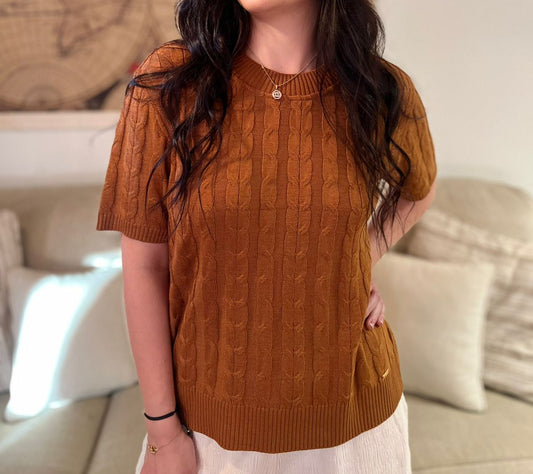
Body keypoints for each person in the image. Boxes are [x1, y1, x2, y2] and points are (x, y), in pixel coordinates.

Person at [96, 0, 437, 472]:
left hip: (357, 432)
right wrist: (162, 432)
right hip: (208, 435)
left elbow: (419, 191)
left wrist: (360, 255)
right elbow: (145, 266)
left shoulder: (380, 90)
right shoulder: (172, 81)